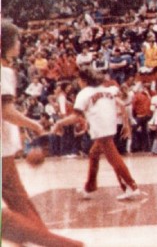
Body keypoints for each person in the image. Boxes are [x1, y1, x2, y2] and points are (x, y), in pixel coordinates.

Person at [1, 20, 83, 247]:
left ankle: (40, 240)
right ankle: (53, 241)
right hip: (2, 148)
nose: (19, 44)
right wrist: (35, 125)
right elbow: (5, 111)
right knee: (18, 203)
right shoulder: (4, 71)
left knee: (18, 202)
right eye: (16, 39)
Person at [53, 67, 142, 200]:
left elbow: (76, 117)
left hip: (100, 128)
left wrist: (59, 123)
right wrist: (126, 125)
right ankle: (90, 186)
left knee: (113, 158)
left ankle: (131, 186)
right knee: (94, 153)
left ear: (83, 80)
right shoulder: (107, 89)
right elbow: (122, 104)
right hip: (110, 125)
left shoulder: (83, 94)